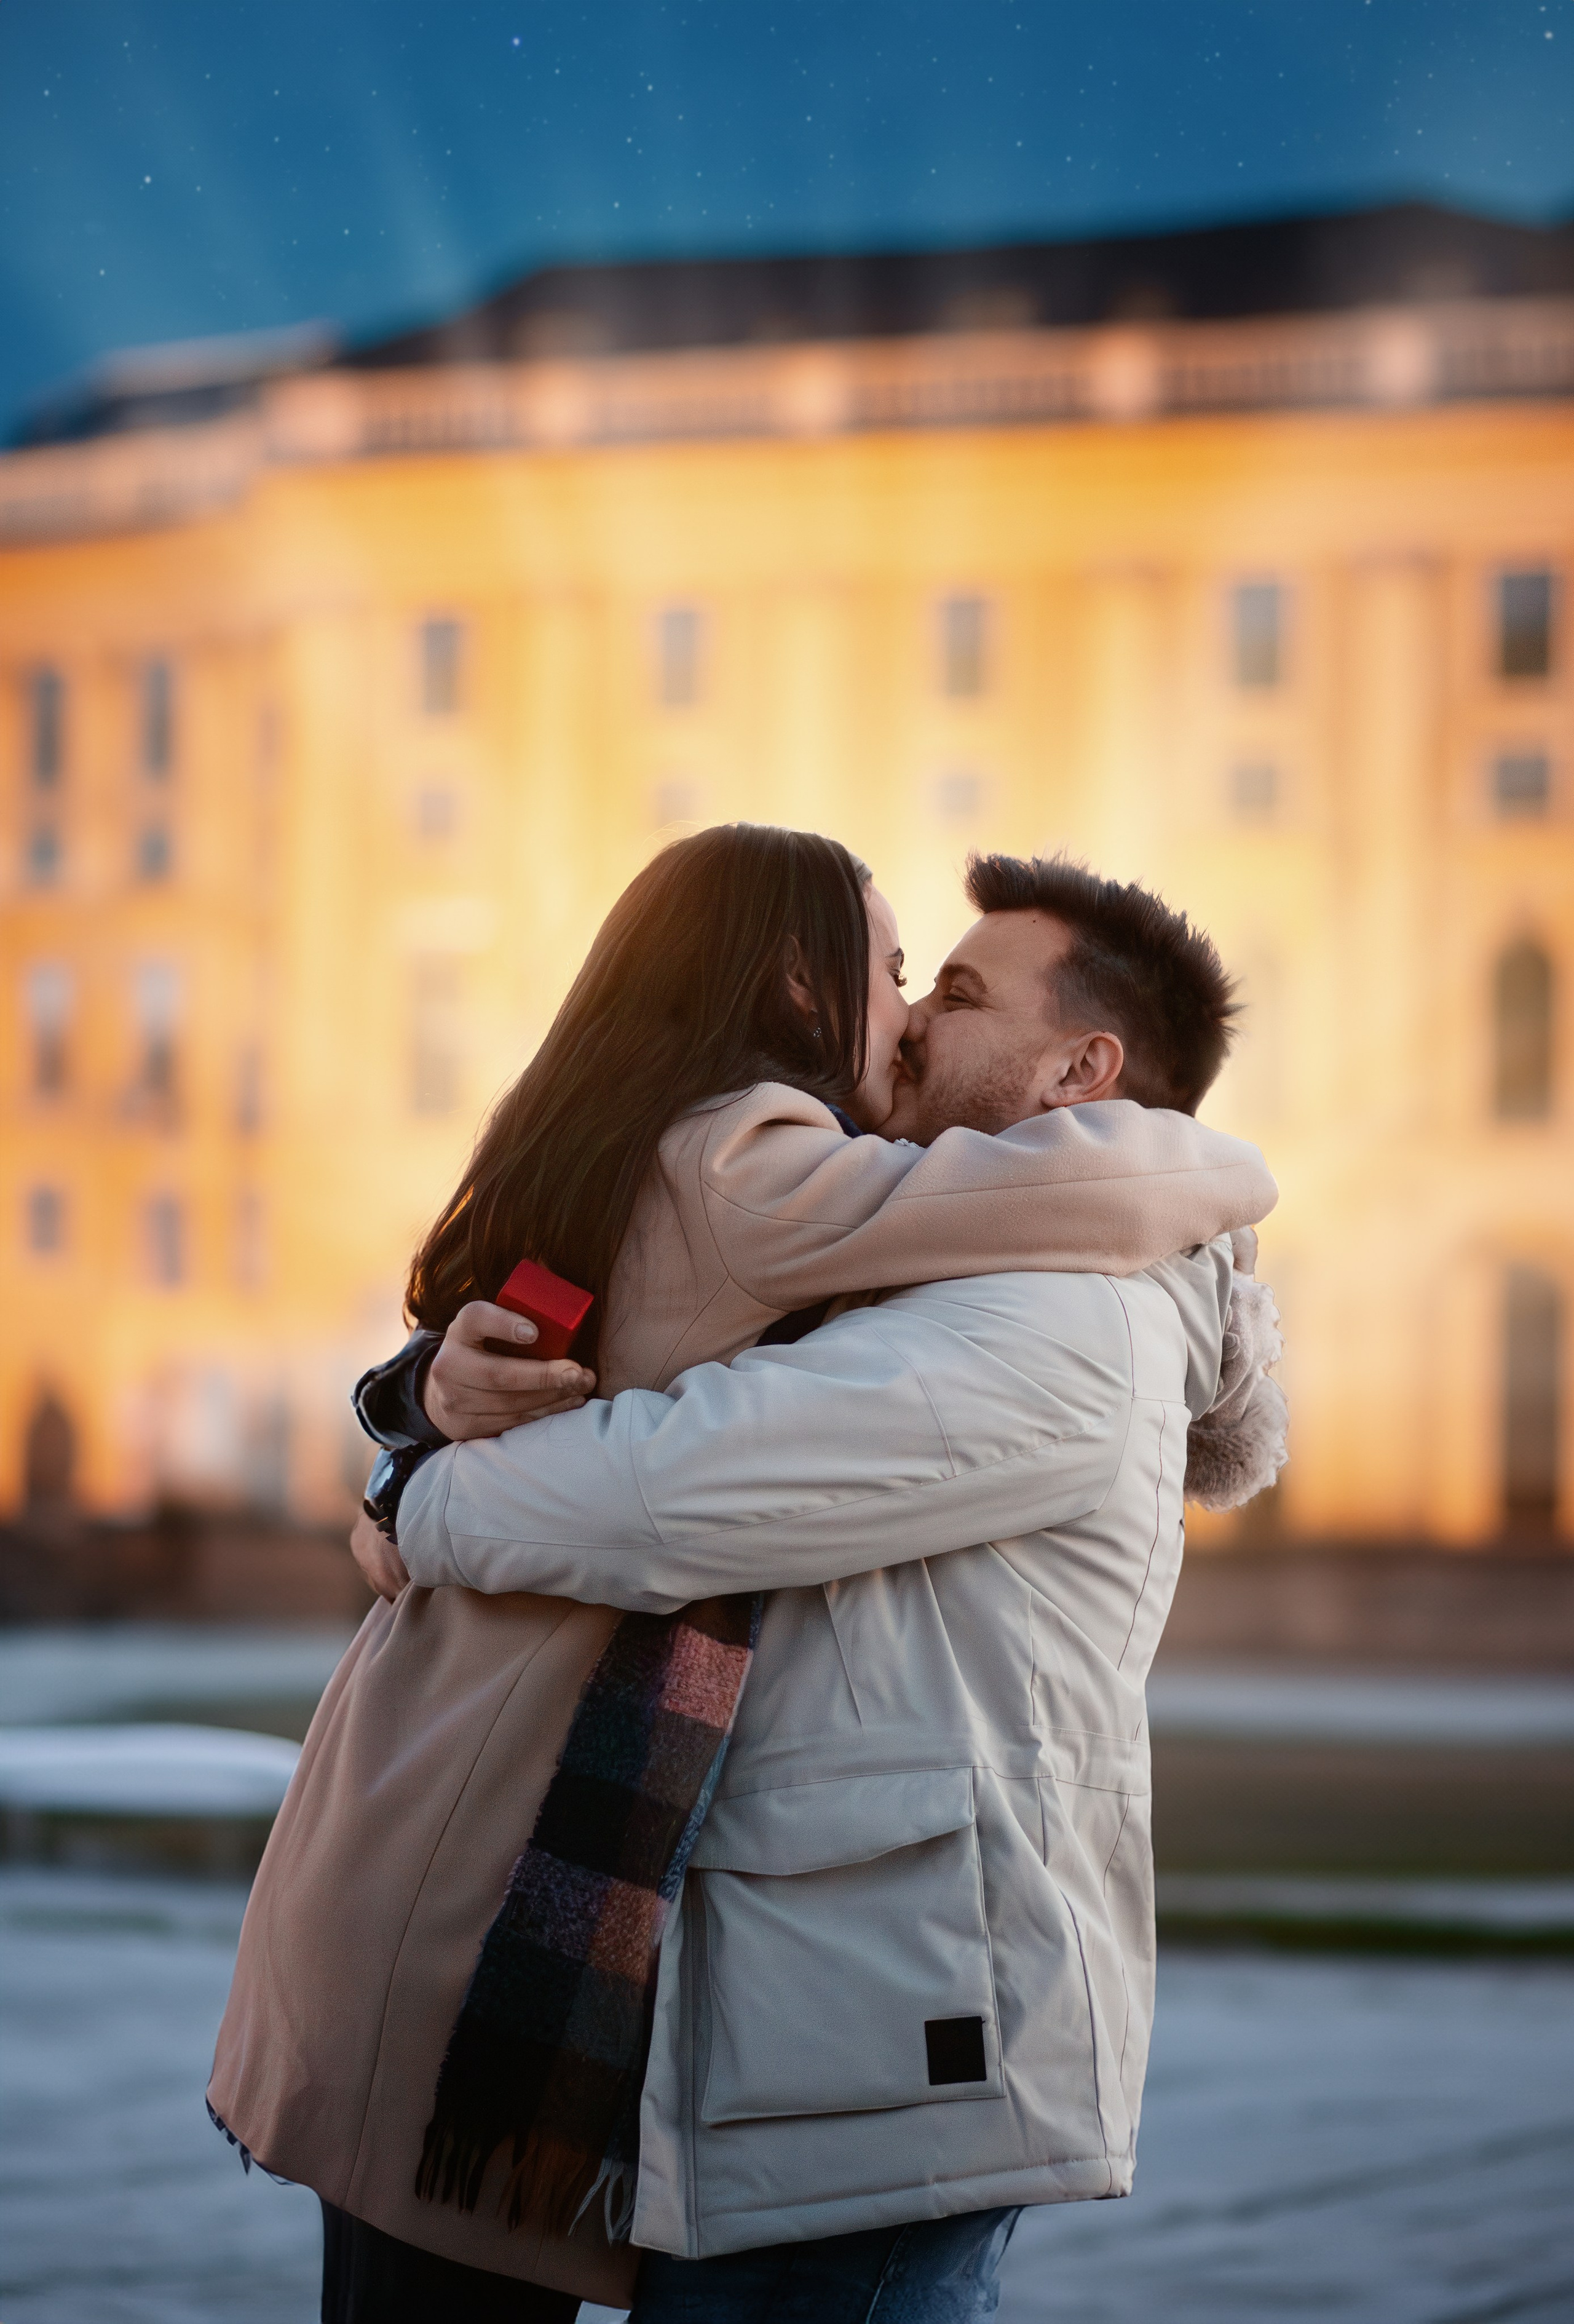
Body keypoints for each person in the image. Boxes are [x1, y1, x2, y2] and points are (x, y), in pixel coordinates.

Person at [208, 830, 1277, 2322]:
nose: (904, 1018)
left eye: (949, 992)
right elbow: (581, 1357)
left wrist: (420, 1486)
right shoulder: (846, 1230)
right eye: (899, 977)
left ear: (1075, 1082)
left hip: (886, 2032)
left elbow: (654, 1492)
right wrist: (417, 1413)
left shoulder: (1057, 1329)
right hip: (762, 1998)